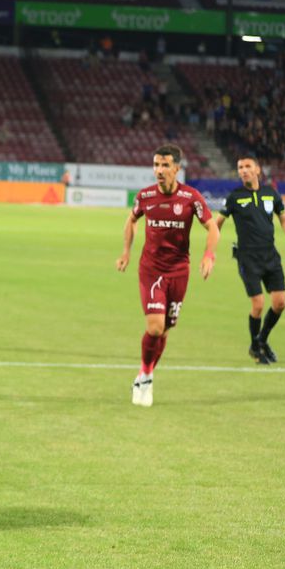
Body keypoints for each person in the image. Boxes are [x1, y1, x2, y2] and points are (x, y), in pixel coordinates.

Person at [116, 144, 219, 407]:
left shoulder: (191, 197)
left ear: (177, 169)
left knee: (165, 331)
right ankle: (147, 377)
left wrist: (209, 255)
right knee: (155, 326)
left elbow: (212, 228)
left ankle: (143, 375)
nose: (159, 171)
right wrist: (126, 251)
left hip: (179, 272)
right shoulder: (145, 196)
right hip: (151, 270)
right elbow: (131, 220)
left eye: (164, 166)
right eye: (156, 165)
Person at [216, 156, 285, 365]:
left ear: (257, 170)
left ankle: (261, 340)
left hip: (270, 256)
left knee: (280, 303)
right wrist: (211, 251)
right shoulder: (234, 197)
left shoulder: (270, 194)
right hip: (248, 258)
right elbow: (217, 223)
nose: (243, 171)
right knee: (258, 304)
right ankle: (255, 347)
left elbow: (283, 218)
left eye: (247, 167)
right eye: (240, 168)